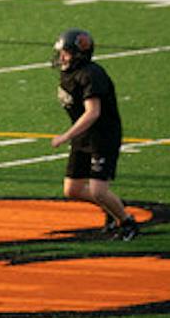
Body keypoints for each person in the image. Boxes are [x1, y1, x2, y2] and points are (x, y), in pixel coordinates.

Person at [51, 28, 135, 238]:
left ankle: (127, 223)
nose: (61, 57)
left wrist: (66, 135)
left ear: (78, 54)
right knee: (73, 190)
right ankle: (112, 205)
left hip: (101, 136)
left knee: (98, 190)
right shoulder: (69, 73)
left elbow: (93, 112)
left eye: (66, 52)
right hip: (84, 135)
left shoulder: (91, 74)